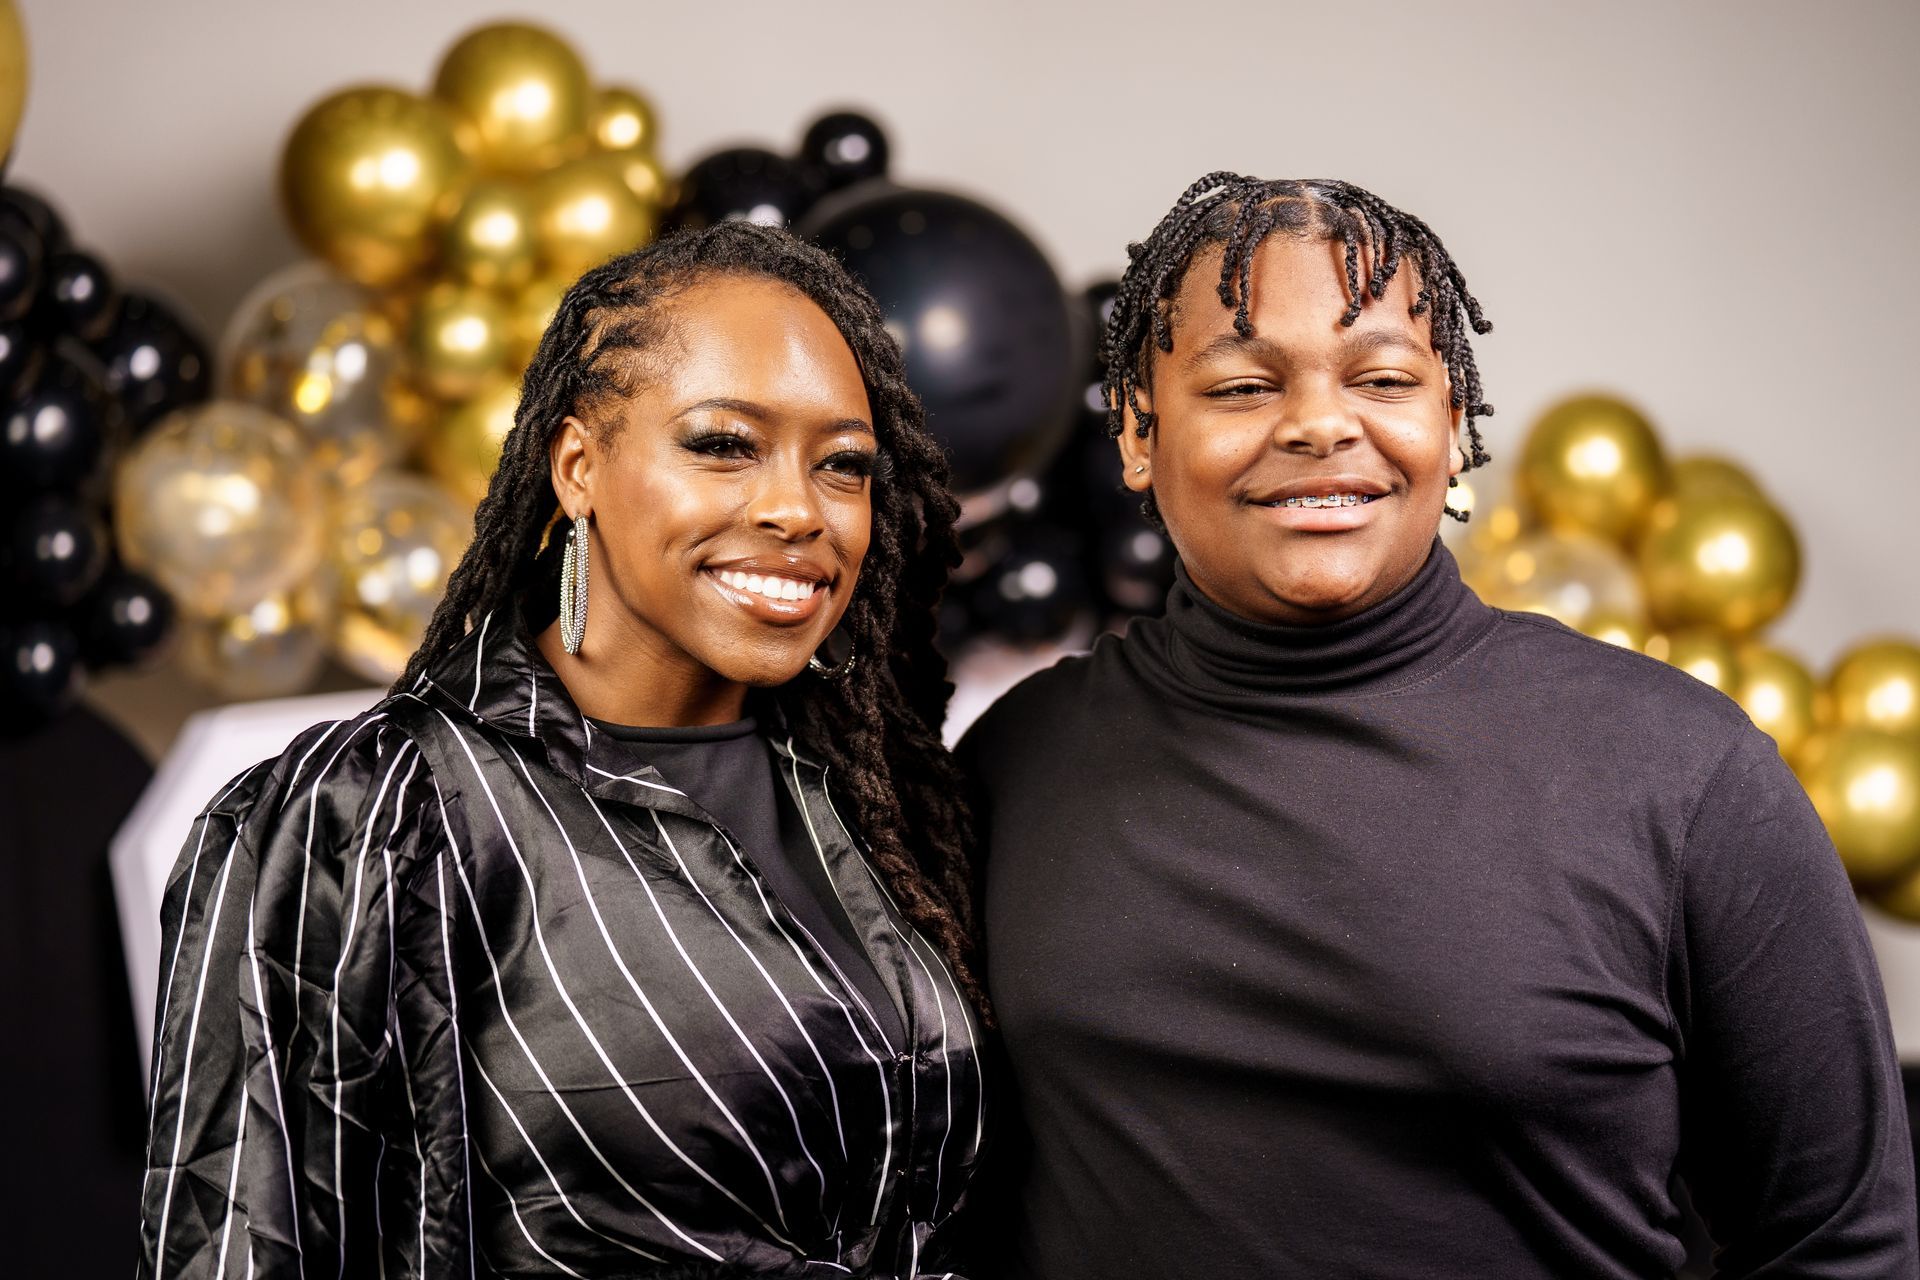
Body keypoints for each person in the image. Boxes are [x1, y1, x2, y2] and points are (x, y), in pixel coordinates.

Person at [959, 173, 1917, 1278]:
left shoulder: (1684, 772)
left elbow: (1844, 1245)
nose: (1321, 424)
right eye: (1243, 386)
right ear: (1139, 431)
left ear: (1453, 428)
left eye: (1383, 378)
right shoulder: (1017, 764)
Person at [138, 222, 986, 1279]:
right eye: (725, 445)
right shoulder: (371, 808)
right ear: (579, 465)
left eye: (843, 465)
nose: (795, 509)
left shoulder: (872, 803)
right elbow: (237, 1240)